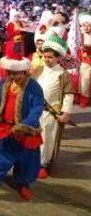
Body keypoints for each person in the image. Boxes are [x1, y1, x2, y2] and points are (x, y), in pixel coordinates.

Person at [0, 43, 44, 201]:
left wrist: (25, 125)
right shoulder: (4, 83)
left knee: (26, 159)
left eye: (18, 73)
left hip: (26, 130)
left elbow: (37, 108)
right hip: (5, 128)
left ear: (25, 71)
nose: (14, 76)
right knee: (0, 157)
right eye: (11, 73)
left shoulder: (33, 86)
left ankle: (22, 184)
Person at [36, 35, 74, 179]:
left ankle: (43, 164)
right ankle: (32, 161)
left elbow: (69, 95)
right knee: (34, 136)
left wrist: (66, 113)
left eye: (50, 57)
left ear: (59, 58)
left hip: (51, 113)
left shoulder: (63, 74)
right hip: (36, 111)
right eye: (45, 56)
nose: (47, 59)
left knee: (47, 138)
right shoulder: (39, 70)